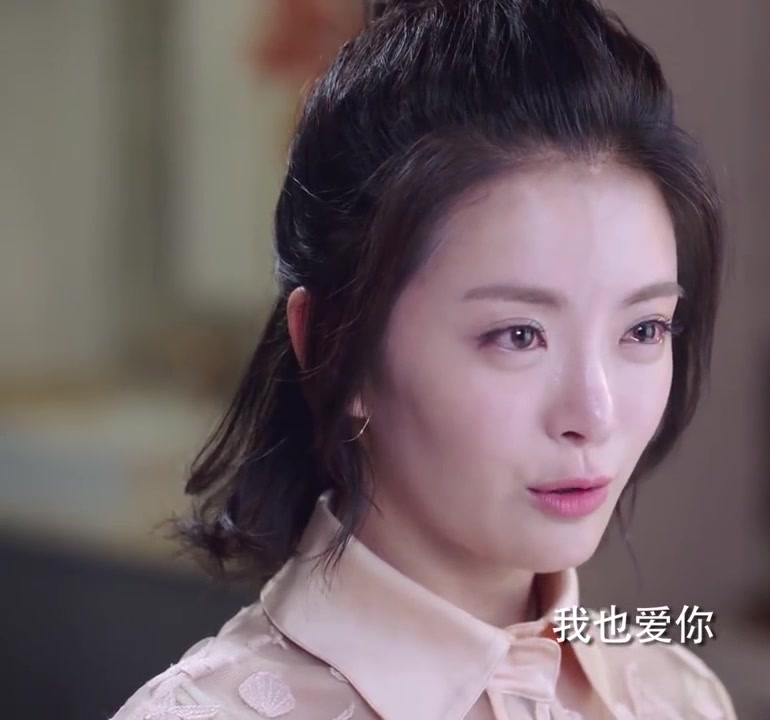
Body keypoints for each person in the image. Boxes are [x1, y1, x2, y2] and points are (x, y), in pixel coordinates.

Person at [111, 0, 732, 718]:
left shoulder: (677, 698)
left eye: (645, 330)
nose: (595, 414)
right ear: (334, 342)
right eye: (519, 336)